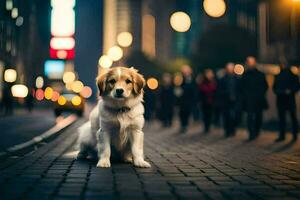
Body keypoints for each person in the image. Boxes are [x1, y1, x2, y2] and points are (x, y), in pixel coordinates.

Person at [241, 56, 268, 141]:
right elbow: (241, 87)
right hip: (249, 100)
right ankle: (251, 133)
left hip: (258, 99)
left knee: (258, 116)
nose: (250, 64)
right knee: (250, 116)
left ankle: (257, 131)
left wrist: (260, 94)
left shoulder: (260, 74)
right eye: (248, 62)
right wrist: (246, 95)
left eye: (251, 62)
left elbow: (265, 86)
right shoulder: (245, 75)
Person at [273, 63, 299, 142]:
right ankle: (284, 135)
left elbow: (297, 86)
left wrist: (289, 91)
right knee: (283, 119)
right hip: (284, 100)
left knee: (291, 118)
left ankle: (293, 135)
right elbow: (275, 88)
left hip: (287, 100)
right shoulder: (279, 76)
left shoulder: (292, 76)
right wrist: (282, 92)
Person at [217, 63, 240, 137]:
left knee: (235, 116)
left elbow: (240, 90)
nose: (230, 70)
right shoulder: (222, 79)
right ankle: (227, 131)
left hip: (235, 101)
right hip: (225, 101)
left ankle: (233, 129)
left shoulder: (237, 79)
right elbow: (219, 90)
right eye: (228, 68)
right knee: (226, 116)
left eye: (231, 68)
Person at [178, 65, 197, 133]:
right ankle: (183, 125)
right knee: (182, 113)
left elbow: (194, 89)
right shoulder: (180, 79)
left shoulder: (192, 79)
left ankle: (185, 125)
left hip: (189, 99)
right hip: (182, 100)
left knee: (187, 113)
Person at [199, 69, 217, 133]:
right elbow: (201, 91)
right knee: (205, 115)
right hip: (205, 101)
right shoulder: (203, 82)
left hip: (212, 101)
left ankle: (209, 126)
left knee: (210, 115)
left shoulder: (214, 81)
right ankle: (206, 127)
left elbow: (215, 91)